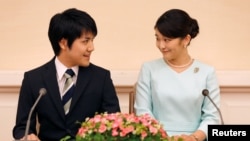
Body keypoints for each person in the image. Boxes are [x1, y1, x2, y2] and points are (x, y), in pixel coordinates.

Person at [13, 8, 121, 141]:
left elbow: (114, 125)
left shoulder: (101, 78)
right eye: (85, 41)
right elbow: (21, 127)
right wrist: (28, 136)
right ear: (63, 43)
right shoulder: (33, 79)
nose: (91, 47)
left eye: (92, 40)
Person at [134, 9, 221, 141]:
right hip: (156, 137)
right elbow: (142, 111)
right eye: (158, 38)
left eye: (167, 40)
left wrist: (194, 137)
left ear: (186, 39)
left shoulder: (207, 72)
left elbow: (212, 117)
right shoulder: (149, 69)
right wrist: (162, 137)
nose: (161, 45)